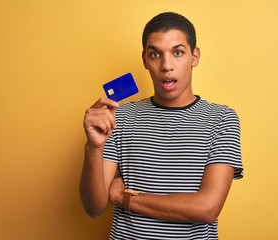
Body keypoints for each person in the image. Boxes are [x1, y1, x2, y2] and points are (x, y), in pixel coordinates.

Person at [80, 12, 243, 239]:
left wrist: (126, 199)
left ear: (194, 57)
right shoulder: (120, 117)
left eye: (178, 52)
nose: (166, 65)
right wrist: (93, 148)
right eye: (155, 54)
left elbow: (207, 208)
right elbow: (94, 208)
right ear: (145, 60)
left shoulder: (221, 118)